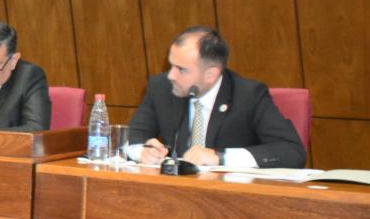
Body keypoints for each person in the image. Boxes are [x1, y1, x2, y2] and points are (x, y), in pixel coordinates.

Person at [129, 26, 306, 169]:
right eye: (171, 65)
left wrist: (220, 157)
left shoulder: (248, 95)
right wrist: (142, 151)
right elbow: (131, 138)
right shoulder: (161, 88)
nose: (171, 76)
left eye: (181, 69)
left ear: (211, 74)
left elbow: (291, 152)